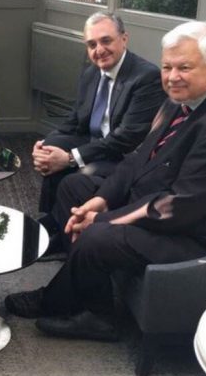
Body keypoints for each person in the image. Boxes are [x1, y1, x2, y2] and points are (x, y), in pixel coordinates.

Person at [5, 21, 206, 341]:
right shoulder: (182, 98)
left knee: (97, 235)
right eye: (167, 67)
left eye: (184, 67)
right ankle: (92, 290)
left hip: (201, 237)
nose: (172, 77)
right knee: (76, 189)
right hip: (167, 196)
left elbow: (176, 208)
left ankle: (83, 312)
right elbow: (138, 158)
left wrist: (101, 220)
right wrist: (101, 200)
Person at [34, 12, 166, 231]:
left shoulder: (146, 77)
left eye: (106, 41)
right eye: (92, 44)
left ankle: (65, 229)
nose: (99, 50)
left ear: (124, 39)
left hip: (123, 154)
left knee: (70, 175)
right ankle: (52, 219)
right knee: (51, 149)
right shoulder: (91, 73)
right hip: (96, 140)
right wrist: (43, 145)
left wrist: (70, 158)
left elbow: (126, 138)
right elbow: (75, 118)